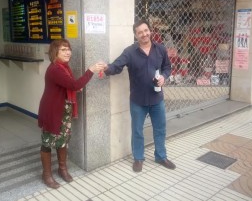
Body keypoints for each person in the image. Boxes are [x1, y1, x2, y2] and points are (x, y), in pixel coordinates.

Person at [103, 19, 176, 172]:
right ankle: (138, 158)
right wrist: (106, 69)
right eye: (140, 32)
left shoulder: (161, 49)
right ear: (136, 35)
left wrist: (164, 76)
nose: (144, 34)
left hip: (157, 98)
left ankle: (161, 156)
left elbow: (167, 67)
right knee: (137, 130)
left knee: (160, 129)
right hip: (138, 100)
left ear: (150, 31)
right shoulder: (130, 52)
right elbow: (117, 66)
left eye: (145, 30)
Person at [38, 39, 104, 189]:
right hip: (52, 111)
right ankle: (46, 174)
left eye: (68, 49)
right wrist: (90, 70)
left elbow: (69, 86)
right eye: (63, 50)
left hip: (63, 111)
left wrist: (74, 88)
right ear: (55, 52)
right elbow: (74, 85)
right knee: (47, 142)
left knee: (63, 140)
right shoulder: (55, 69)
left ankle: (62, 169)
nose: (68, 52)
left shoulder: (64, 68)